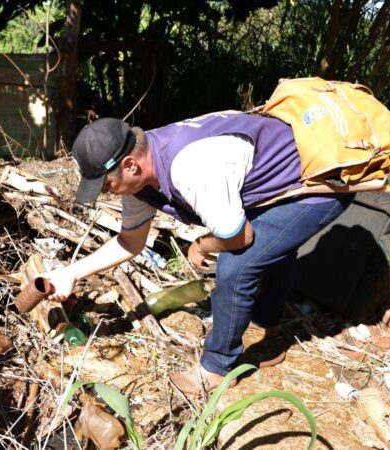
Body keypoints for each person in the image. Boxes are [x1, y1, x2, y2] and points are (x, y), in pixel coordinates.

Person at [44, 112, 351, 396]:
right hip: (275, 186)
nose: (105, 192)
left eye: (106, 184)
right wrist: (72, 272)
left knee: (236, 265)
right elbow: (131, 241)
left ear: (129, 165)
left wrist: (202, 244)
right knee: (269, 249)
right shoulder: (142, 170)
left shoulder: (189, 166)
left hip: (319, 185)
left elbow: (238, 237)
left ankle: (216, 368)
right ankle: (267, 323)